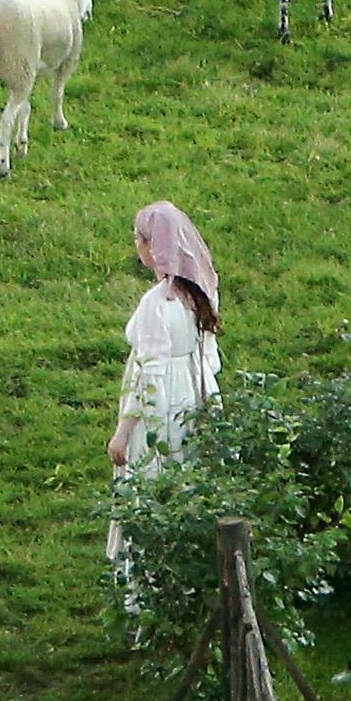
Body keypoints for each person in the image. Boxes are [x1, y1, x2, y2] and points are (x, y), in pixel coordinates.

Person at [109, 201, 225, 559]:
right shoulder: (202, 293)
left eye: (138, 239)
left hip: (161, 409)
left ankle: (143, 585)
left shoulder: (156, 303)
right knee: (186, 479)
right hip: (191, 398)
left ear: (151, 246)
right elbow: (209, 361)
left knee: (149, 486)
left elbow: (148, 377)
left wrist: (123, 433)